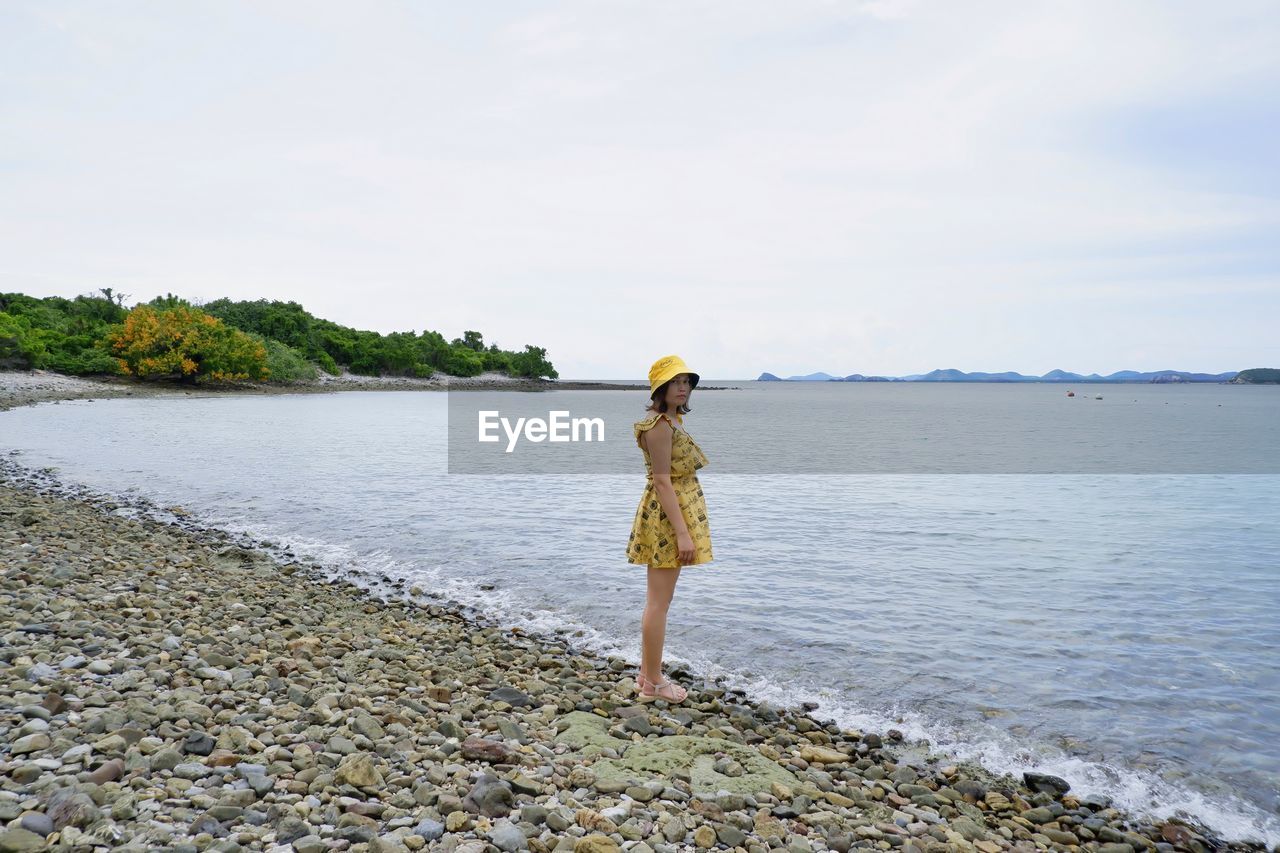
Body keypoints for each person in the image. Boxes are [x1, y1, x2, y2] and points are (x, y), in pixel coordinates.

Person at [625, 354, 714, 703]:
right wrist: (682, 532)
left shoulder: (670, 421)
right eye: (676, 381)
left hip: (672, 510)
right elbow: (662, 481)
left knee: (658, 601)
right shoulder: (659, 426)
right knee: (659, 603)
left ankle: (647, 674)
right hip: (667, 516)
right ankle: (655, 683)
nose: (684, 387)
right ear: (660, 387)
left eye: (687, 382)